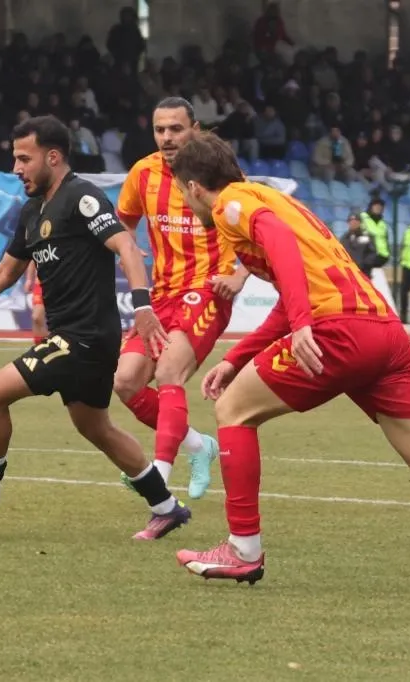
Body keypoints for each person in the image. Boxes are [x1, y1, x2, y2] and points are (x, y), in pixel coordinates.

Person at [166, 133, 410, 583]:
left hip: (338, 330)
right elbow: (292, 287)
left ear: (194, 187)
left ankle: (243, 549)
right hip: (383, 332)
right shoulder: (275, 200)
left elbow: (280, 244)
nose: (186, 203)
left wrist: (303, 323)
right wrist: (237, 358)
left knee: (233, 410)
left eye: (183, 194)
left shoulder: (231, 205)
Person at [0, 116, 192, 540]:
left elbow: (126, 245)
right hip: (77, 338)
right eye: (15, 159)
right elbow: (4, 274)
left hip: (83, 338)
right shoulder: (32, 211)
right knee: (94, 427)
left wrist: (142, 307)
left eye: (23, 159)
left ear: (53, 157)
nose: (16, 168)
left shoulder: (82, 197)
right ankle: (167, 507)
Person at [113, 97, 248, 499]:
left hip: (208, 290)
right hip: (162, 295)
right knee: (125, 382)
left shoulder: (220, 173)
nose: (167, 137)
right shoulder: (143, 173)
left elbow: (258, 230)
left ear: (195, 129)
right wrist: (126, 248)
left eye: (176, 128)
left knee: (170, 370)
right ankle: (197, 445)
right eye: (160, 130)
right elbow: (123, 222)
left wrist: (240, 275)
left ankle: (159, 474)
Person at [339, 212, 378, 278]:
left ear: (360, 222)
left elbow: (373, 253)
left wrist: (364, 264)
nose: (353, 223)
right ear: (348, 223)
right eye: (351, 221)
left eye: (356, 221)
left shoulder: (367, 236)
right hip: (348, 274)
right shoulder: (344, 238)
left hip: (364, 273)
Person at [24, 262, 46, 344]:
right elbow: (33, 260)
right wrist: (29, 279)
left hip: (63, 282)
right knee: (36, 317)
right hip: (41, 282)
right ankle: (40, 346)